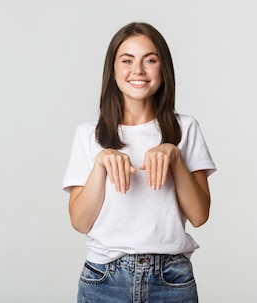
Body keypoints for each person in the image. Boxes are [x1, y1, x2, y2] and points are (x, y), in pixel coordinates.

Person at [62, 22, 216, 302]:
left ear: (163, 68)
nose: (138, 70)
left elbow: (199, 215)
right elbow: (80, 222)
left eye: (150, 60)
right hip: (104, 279)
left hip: (171, 280)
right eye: (127, 60)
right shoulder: (89, 134)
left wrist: (175, 156)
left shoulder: (186, 128)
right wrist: (100, 164)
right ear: (113, 70)